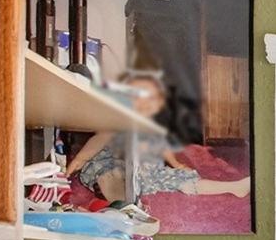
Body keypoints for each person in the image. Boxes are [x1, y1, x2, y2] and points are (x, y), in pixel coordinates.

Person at [68, 75, 250, 204]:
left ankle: (234, 187)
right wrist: (81, 158)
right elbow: (100, 139)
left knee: (179, 179)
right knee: (113, 174)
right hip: (113, 164)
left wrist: (176, 164)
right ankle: (118, 198)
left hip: (144, 171)